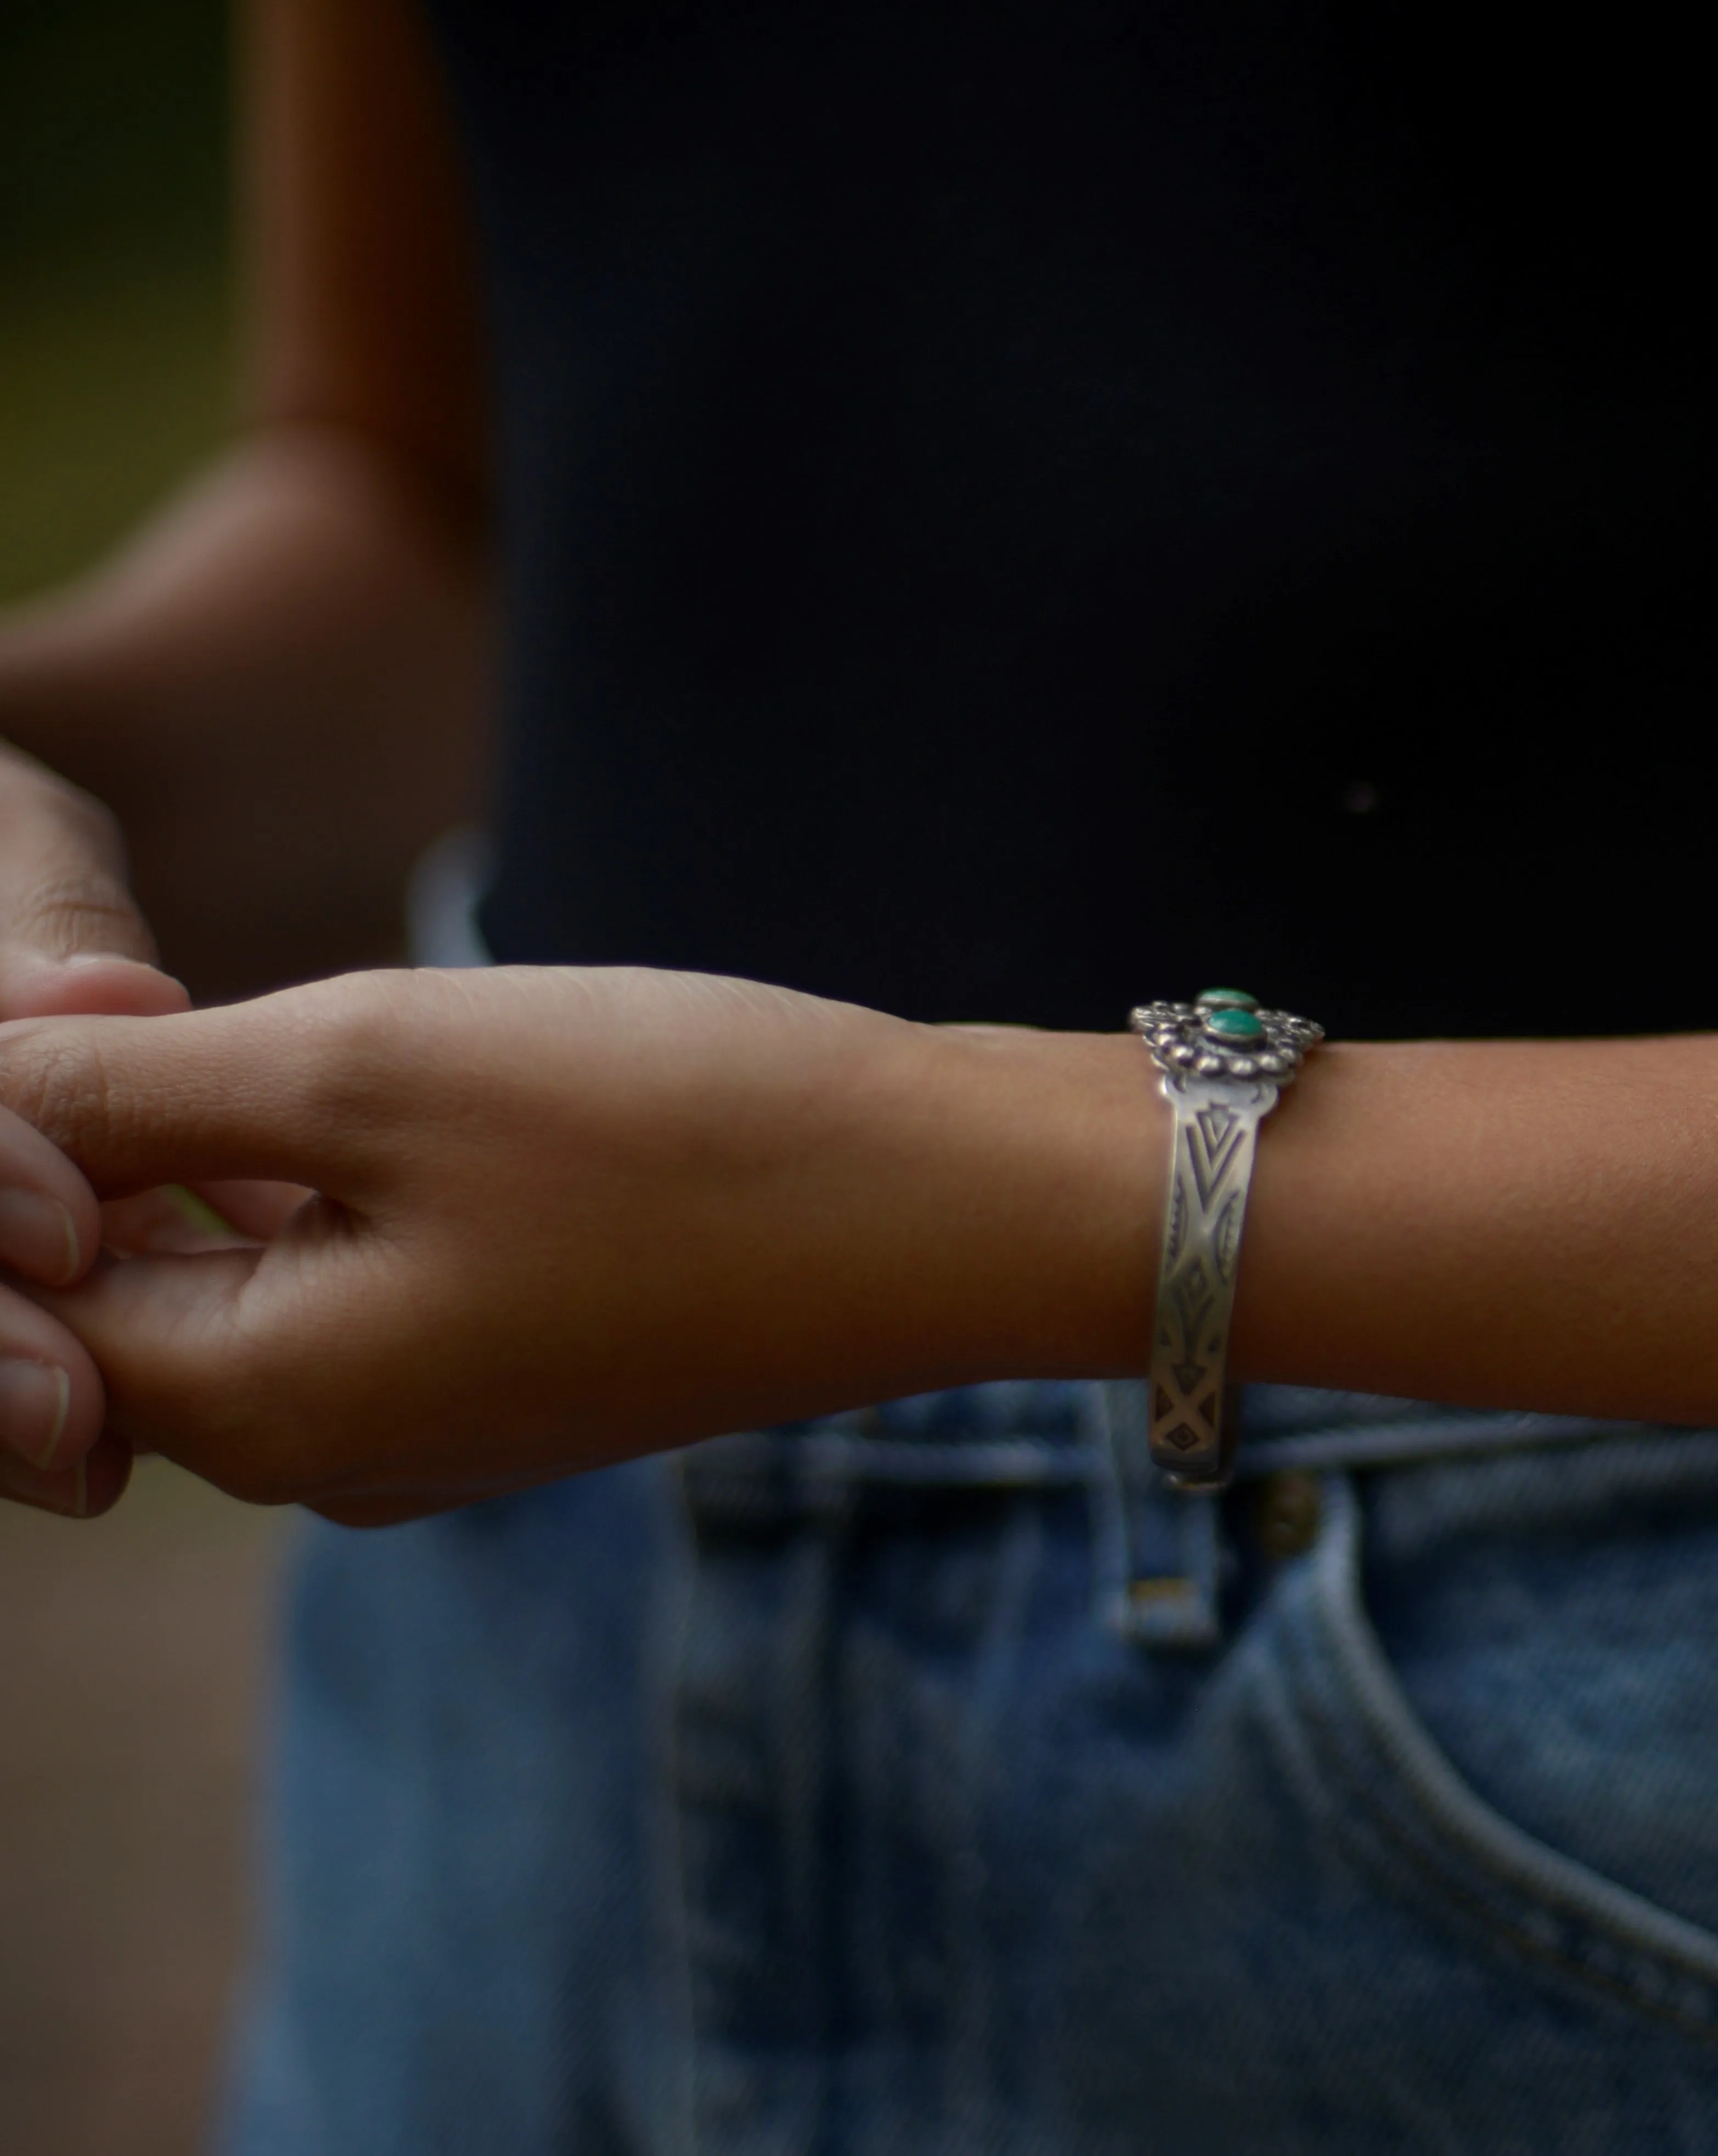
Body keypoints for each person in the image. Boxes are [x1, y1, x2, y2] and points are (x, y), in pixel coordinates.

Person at [2, 0, 1715, 2146]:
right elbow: (437, 533)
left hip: (1587, 1750)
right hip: (495, 1753)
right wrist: (51, 814)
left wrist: (987, 1202)